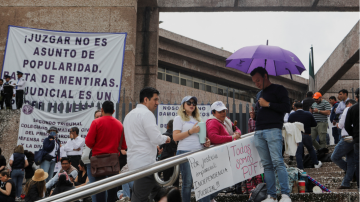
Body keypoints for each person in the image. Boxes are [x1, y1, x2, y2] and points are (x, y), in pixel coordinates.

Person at [249, 67, 291, 202]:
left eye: (258, 80)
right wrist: (255, 116)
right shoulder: (259, 94)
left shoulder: (279, 89)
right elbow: (263, 111)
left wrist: (268, 104)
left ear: (265, 76)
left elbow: (286, 108)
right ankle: (271, 196)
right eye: (254, 81)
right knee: (266, 165)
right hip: (259, 131)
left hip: (273, 130)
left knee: (278, 162)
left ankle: (285, 194)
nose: (256, 83)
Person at [123, 87, 171, 202]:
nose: (157, 103)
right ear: (146, 99)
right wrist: (167, 138)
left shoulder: (129, 115)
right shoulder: (147, 114)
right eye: (155, 100)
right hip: (145, 165)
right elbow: (156, 138)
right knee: (138, 199)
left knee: (158, 193)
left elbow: (138, 138)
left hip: (135, 163)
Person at [85, 101, 126, 202]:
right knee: (112, 188)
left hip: (98, 161)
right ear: (113, 111)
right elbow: (123, 146)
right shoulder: (119, 124)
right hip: (113, 161)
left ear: (102, 109)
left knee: (100, 189)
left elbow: (89, 143)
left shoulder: (96, 122)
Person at [173, 95, 211, 202]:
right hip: (184, 151)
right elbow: (175, 137)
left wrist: (206, 141)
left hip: (198, 152)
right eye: (189, 103)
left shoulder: (198, 119)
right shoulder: (178, 118)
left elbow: (201, 137)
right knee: (188, 182)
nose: (192, 105)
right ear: (183, 106)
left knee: (202, 181)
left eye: (194, 103)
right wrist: (191, 131)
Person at [331, 99, 357, 189]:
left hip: (347, 137)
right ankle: (346, 183)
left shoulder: (348, 109)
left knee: (334, 157)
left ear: (348, 104)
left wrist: (337, 124)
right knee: (350, 162)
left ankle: (353, 173)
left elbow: (342, 124)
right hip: (355, 138)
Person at [288, 102, 322, 169]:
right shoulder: (308, 114)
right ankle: (316, 163)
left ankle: (300, 167)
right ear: (302, 107)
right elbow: (314, 124)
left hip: (297, 136)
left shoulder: (292, 115)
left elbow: (289, 125)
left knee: (298, 152)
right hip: (307, 134)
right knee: (311, 149)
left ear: (295, 107)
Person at [81, 109, 101, 202]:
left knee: (103, 186)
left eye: (100, 116)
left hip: (102, 162)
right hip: (90, 161)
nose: (99, 118)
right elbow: (88, 142)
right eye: (97, 117)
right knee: (93, 186)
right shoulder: (93, 127)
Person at [158, 120, 179, 187]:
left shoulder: (164, 135)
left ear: (167, 126)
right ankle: (176, 195)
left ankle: (166, 195)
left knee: (166, 180)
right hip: (175, 159)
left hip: (165, 160)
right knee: (176, 181)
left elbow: (159, 148)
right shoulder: (177, 137)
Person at [345, 88, 359, 188]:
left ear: (356, 97)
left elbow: (347, 126)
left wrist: (354, 134)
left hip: (358, 139)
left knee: (358, 162)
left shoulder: (352, 108)